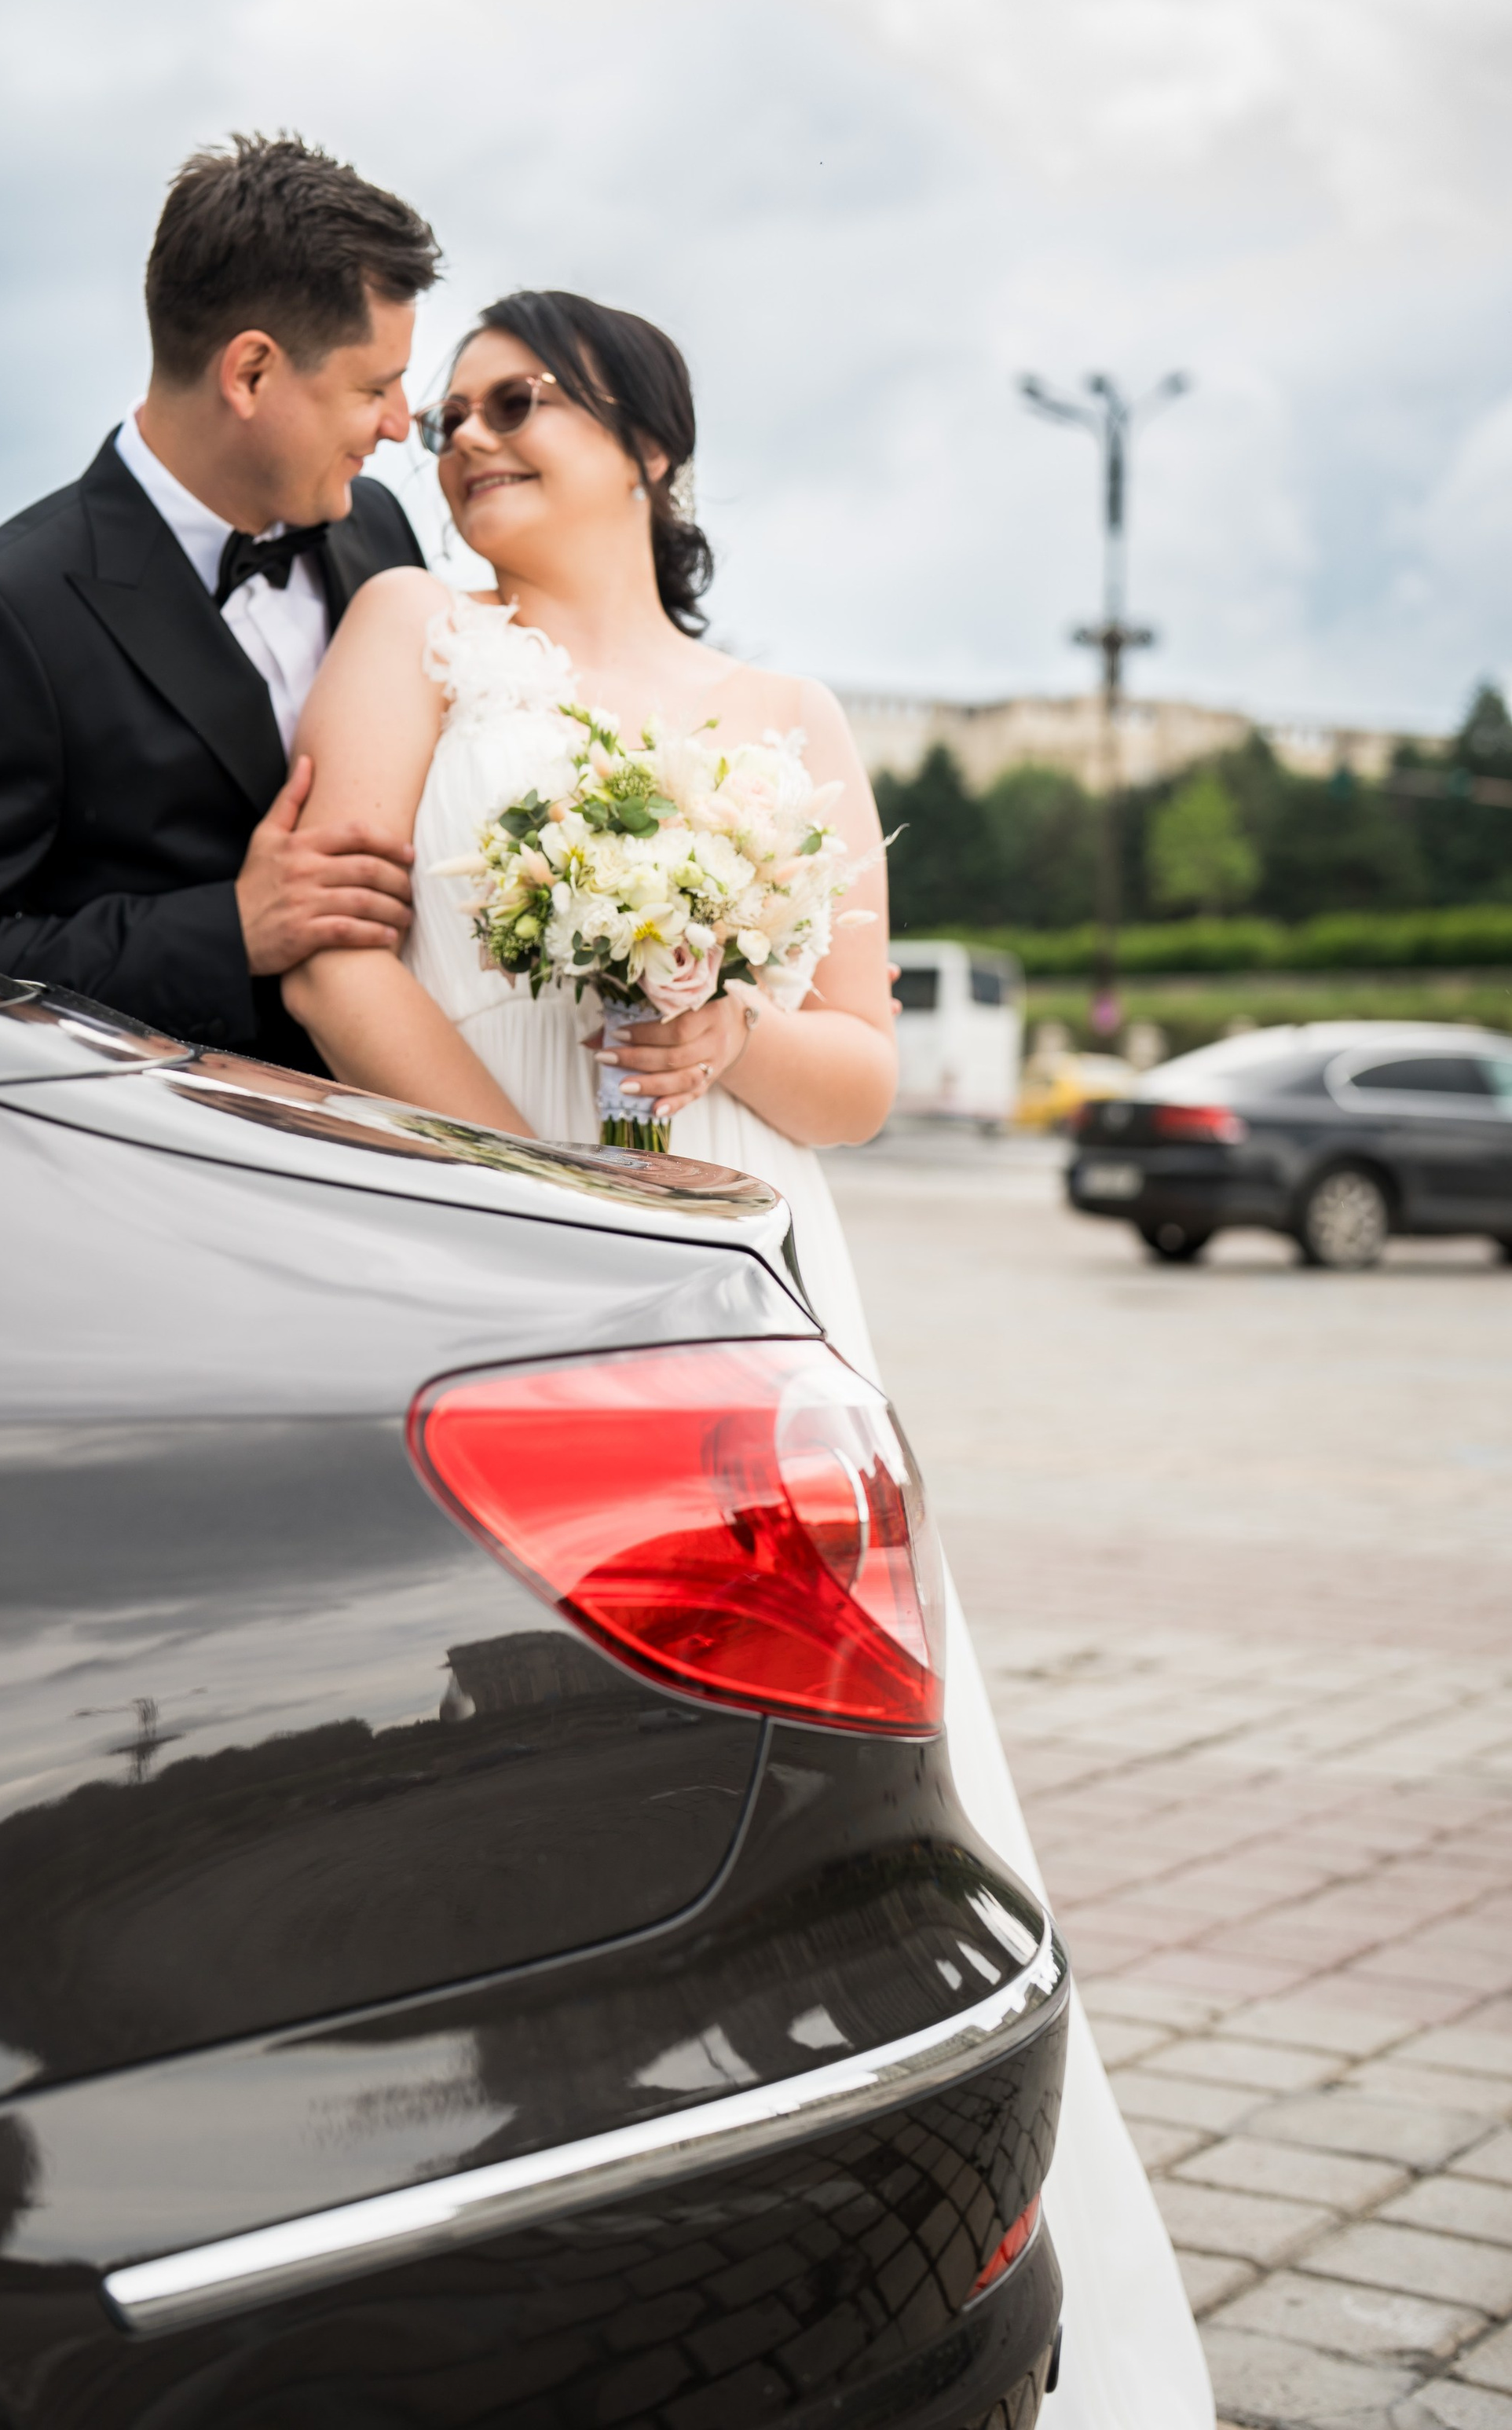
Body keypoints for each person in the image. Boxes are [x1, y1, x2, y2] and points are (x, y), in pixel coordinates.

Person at [283, 288, 1215, 2430]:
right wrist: (541, 1188)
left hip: (745, 1284)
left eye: (522, 401)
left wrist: (721, 1041)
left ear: (652, 446)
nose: (470, 434)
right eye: (450, 411)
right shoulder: (408, 632)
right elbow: (336, 956)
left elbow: (864, 1078)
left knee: (797, 1799)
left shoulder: (786, 714)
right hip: (479, 1253)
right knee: (491, 1768)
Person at [0, 135, 438, 1068]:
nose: (400, 424)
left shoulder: (377, 530)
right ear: (250, 373)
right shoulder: (6, 613)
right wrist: (227, 931)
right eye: (374, 386)